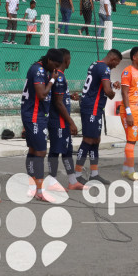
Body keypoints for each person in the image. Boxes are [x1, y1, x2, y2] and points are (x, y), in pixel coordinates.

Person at [21, 49, 63, 202]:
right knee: (40, 152)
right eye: (55, 65)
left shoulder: (42, 69)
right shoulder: (38, 70)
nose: (56, 69)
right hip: (34, 115)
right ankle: (39, 190)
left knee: (33, 151)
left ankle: (32, 186)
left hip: (37, 115)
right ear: (49, 59)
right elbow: (41, 94)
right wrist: (52, 80)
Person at [75, 49, 122, 184]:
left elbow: (98, 83)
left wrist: (112, 83)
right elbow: (107, 91)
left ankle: (94, 174)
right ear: (112, 59)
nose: (115, 66)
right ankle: (77, 174)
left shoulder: (95, 64)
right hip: (92, 108)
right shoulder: (105, 68)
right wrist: (113, 92)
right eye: (116, 64)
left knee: (96, 139)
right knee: (88, 140)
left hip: (93, 107)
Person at [48, 49, 84, 190]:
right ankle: (51, 181)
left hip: (62, 120)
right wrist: (71, 122)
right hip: (58, 120)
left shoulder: (60, 76)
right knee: (56, 151)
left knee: (67, 150)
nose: (70, 62)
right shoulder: (60, 77)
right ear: (66, 61)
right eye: (70, 60)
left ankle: (72, 180)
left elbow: (58, 96)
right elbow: (57, 102)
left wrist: (69, 96)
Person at [119, 47, 138, 181]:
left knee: (133, 141)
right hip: (130, 112)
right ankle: (131, 171)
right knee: (131, 141)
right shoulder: (127, 72)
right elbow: (124, 93)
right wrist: (129, 113)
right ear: (134, 57)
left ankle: (125, 170)